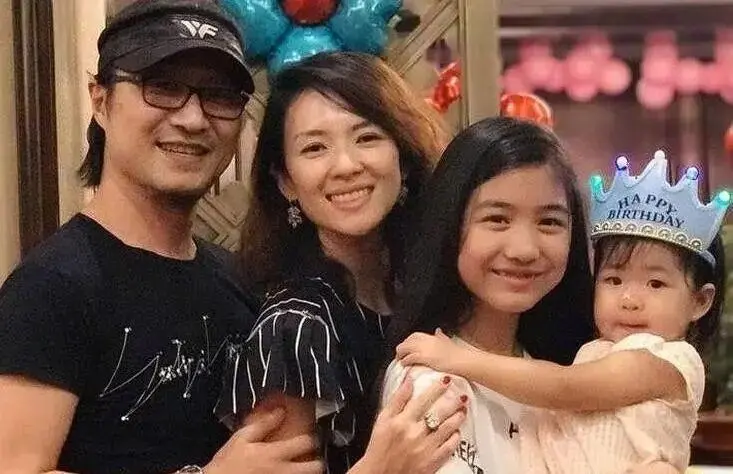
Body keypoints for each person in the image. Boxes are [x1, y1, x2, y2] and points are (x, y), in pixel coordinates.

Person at [0, 1, 323, 473]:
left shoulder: (239, 280)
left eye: (219, 95)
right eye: (163, 87)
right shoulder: (51, 289)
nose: (193, 119)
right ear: (101, 101)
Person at [396, 150, 729, 473]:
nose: (629, 299)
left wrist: (458, 358)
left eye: (656, 284)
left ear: (701, 301)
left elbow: (566, 388)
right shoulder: (591, 351)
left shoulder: (668, 361)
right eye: (613, 279)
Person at [214, 51, 466, 473]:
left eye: (366, 138)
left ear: (403, 156)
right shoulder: (294, 327)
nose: (347, 165)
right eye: (315, 148)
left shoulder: (433, 289)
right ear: (286, 181)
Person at [380, 116, 597, 474]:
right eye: (497, 219)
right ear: (450, 226)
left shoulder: (571, 374)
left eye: (549, 222)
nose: (524, 249)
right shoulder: (431, 383)